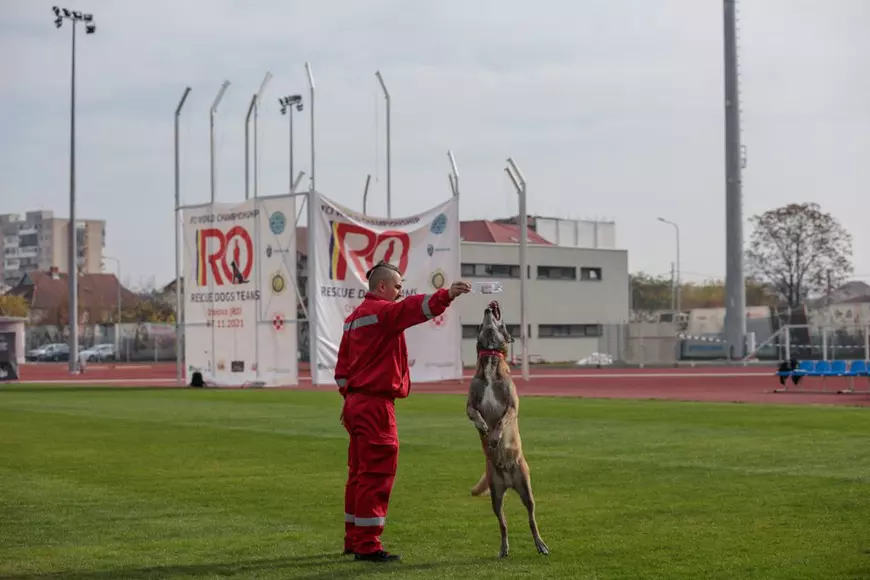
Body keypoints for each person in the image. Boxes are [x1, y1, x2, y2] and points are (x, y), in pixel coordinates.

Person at [335, 260, 471, 562]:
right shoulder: (384, 313)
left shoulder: (353, 319)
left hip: (355, 402)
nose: (399, 292)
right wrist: (446, 295)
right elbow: (412, 308)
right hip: (375, 405)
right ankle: (368, 545)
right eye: (396, 286)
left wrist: (349, 398)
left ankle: (353, 538)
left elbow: (342, 369)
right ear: (382, 287)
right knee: (377, 473)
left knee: (357, 474)